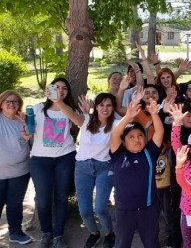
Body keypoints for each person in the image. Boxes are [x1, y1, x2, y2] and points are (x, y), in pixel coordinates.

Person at [55, 93, 118, 248]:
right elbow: (71, 115)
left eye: (109, 105)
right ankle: (94, 233)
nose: (105, 108)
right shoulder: (87, 120)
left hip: (105, 167)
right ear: (95, 107)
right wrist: (58, 101)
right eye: (101, 105)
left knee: (101, 208)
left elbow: (130, 121)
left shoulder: (116, 124)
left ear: (113, 108)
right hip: (82, 168)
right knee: (84, 211)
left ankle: (110, 233)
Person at [27, 78, 79, 248]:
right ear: (49, 89)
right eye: (57, 87)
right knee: (43, 199)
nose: (61, 90)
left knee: (62, 198)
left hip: (65, 157)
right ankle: (46, 233)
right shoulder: (38, 108)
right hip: (40, 160)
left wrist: (59, 102)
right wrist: (26, 133)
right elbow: (29, 129)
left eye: (64, 88)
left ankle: (58, 236)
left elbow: (79, 122)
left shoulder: (70, 110)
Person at [110, 99, 164, 248]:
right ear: (124, 141)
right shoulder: (118, 154)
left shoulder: (149, 152)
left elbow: (159, 132)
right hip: (124, 210)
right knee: (122, 244)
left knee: (152, 244)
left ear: (145, 138)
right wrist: (128, 116)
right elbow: (114, 135)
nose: (136, 139)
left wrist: (154, 114)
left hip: (148, 209)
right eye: (131, 137)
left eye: (140, 135)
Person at [0, 90, 32, 245]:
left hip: (20, 172)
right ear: (1, 104)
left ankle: (15, 232)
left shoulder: (24, 120)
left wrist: (27, 136)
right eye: (7, 101)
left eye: (15, 101)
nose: (11, 104)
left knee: (14, 203)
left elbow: (28, 143)